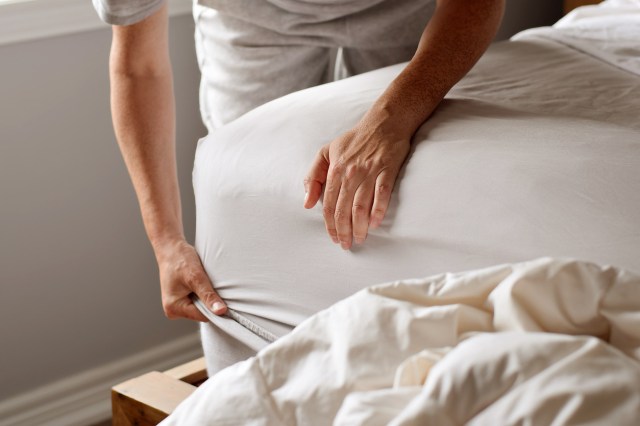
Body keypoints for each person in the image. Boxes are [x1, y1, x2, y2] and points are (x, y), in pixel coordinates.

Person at [94, 0, 504, 326]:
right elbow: (139, 68)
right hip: (250, 18)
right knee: (253, 205)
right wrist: (166, 242)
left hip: (402, 12)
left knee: (398, 198)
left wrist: (390, 122)